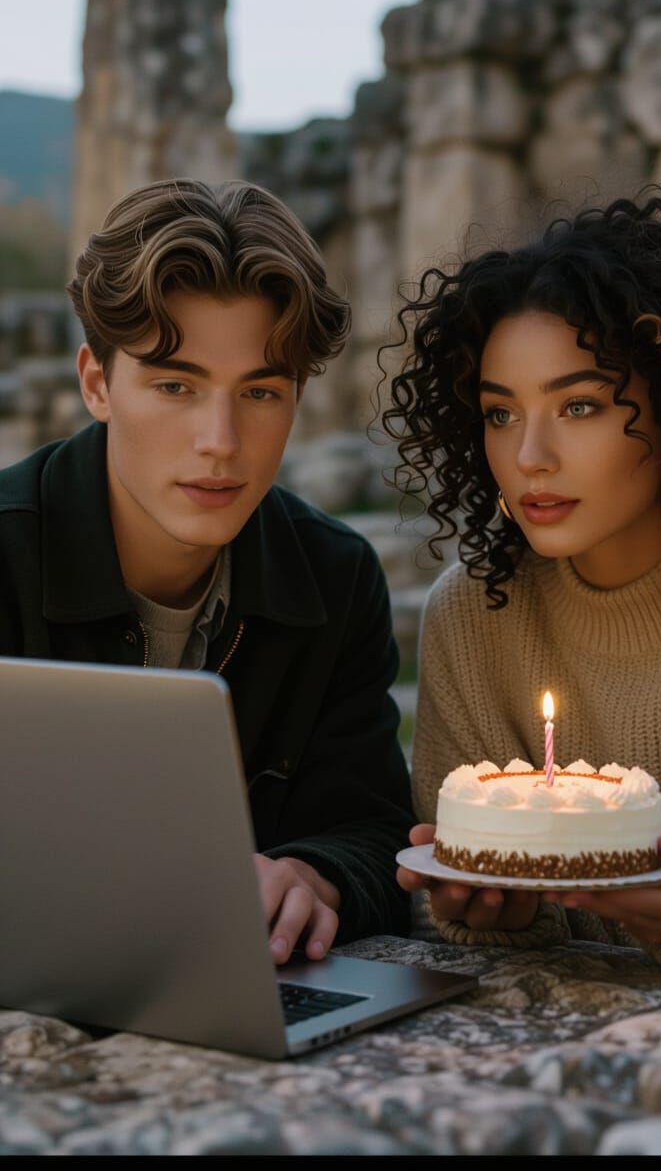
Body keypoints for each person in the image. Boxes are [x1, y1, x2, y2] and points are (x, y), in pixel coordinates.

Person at [0, 177, 414, 963]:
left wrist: (313, 876)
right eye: (175, 386)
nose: (221, 440)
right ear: (97, 384)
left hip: (254, 999)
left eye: (260, 391)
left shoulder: (336, 576)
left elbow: (376, 833)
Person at [389, 190, 661, 974]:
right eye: (499, 415)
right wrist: (488, 915)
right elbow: (468, 921)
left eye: (581, 405)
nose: (530, 455)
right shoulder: (472, 614)